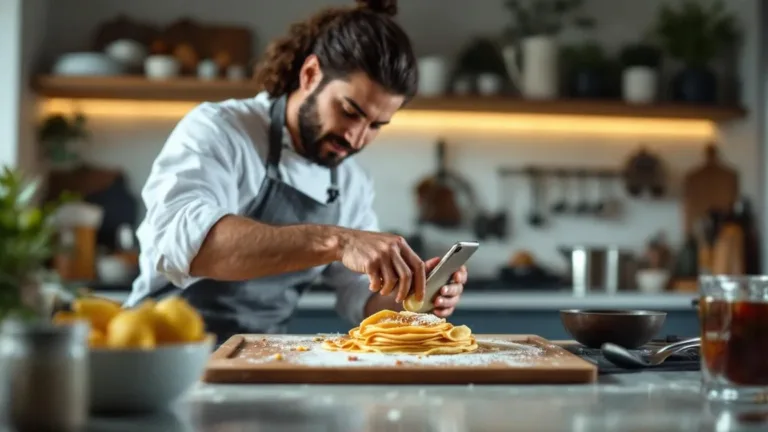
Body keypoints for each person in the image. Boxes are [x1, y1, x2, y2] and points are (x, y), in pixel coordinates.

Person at [124, 0, 468, 344]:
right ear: (309, 75)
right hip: (159, 350)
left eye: (376, 125)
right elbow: (183, 243)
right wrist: (339, 241)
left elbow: (361, 297)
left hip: (258, 358)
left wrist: (417, 300)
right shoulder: (221, 130)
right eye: (349, 111)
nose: (356, 137)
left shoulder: (349, 181)